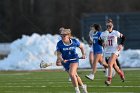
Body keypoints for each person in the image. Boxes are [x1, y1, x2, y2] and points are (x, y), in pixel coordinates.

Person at [56, 28, 88, 93]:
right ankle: (83, 87)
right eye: (61, 35)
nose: (63, 36)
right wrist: (61, 60)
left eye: (64, 35)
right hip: (65, 62)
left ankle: (77, 91)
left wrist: (83, 54)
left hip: (74, 60)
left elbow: (81, 47)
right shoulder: (59, 44)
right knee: (75, 75)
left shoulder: (74, 41)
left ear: (68, 35)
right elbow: (59, 54)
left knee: (72, 74)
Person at [100, 18, 126, 86]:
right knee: (115, 66)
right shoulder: (103, 34)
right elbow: (99, 41)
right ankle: (121, 74)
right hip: (107, 51)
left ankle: (109, 80)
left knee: (110, 64)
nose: (109, 27)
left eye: (110, 25)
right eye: (107, 25)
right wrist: (102, 43)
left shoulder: (115, 32)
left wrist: (121, 44)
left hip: (115, 50)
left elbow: (123, 37)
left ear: (112, 26)